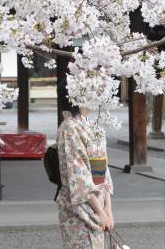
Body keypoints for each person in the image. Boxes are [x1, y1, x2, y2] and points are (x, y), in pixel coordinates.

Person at [56, 97, 115, 248]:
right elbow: (79, 175)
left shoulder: (91, 126)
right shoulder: (69, 127)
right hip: (80, 205)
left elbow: (103, 169)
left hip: (98, 201)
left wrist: (107, 208)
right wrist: (101, 212)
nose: (96, 97)